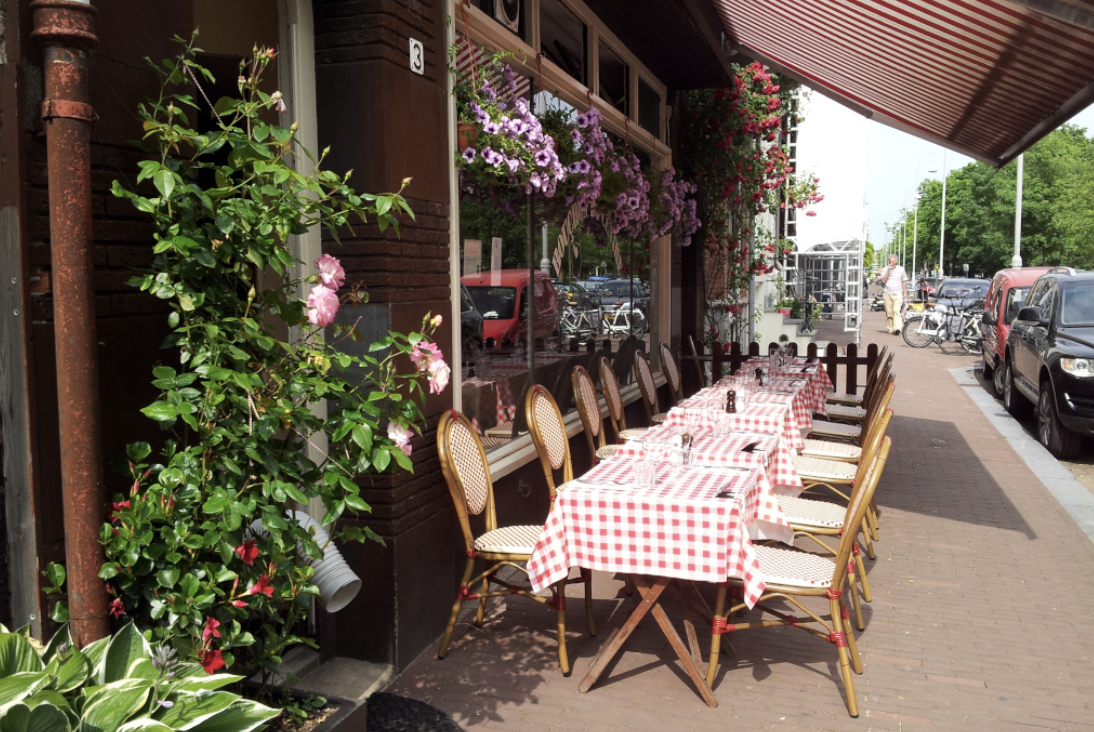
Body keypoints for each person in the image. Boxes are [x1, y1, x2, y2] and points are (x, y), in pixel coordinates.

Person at [879, 254, 909, 335]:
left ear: (896, 262)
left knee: (896, 311)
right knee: (889, 312)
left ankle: (897, 328)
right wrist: (888, 271)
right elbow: (883, 281)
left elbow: (904, 281)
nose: (892, 264)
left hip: (898, 293)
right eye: (890, 262)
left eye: (893, 262)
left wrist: (905, 293)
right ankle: (890, 328)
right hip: (887, 293)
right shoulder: (885, 269)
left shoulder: (901, 270)